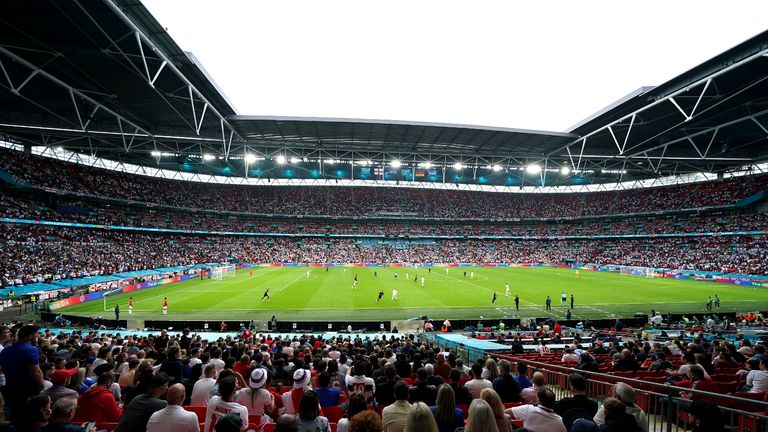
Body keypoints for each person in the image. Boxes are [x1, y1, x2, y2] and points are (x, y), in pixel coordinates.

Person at [0, 324, 44, 420]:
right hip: (28, 389)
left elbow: (2, 369)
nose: (37, 336)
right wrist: (41, 385)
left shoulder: (5, 350)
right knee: (28, 415)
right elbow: (35, 372)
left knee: (15, 414)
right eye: (36, 334)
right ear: (29, 336)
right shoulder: (31, 350)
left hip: (10, 387)